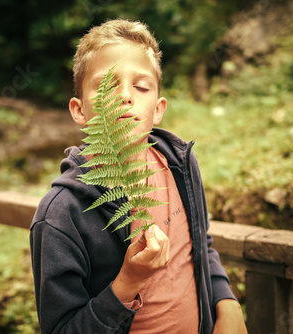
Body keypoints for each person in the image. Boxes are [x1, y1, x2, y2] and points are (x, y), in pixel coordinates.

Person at [29, 19, 247, 334]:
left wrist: (227, 303)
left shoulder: (180, 165)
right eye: (107, 85)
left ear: (158, 109)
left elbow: (201, 245)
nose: (126, 96)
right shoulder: (61, 215)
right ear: (79, 110)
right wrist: (128, 281)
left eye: (141, 86)